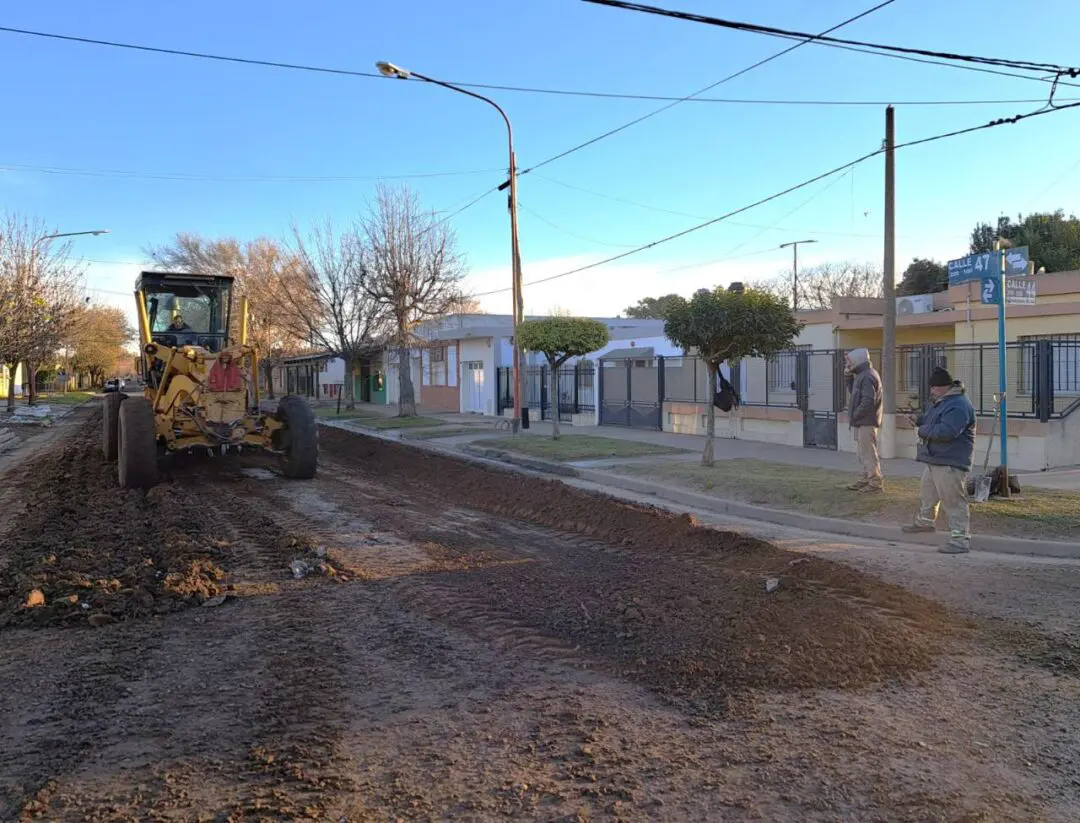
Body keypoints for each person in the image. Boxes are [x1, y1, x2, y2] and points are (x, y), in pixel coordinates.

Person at [902, 366, 976, 554]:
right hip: (937, 458)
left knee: (953, 500)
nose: (931, 391)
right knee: (928, 493)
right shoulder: (944, 402)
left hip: (950, 461)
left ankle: (960, 539)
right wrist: (918, 420)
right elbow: (932, 420)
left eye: (934, 388)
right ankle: (925, 522)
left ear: (944, 387)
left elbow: (947, 431)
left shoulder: (958, 405)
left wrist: (921, 430)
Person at [845, 347, 884, 492]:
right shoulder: (862, 375)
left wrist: (855, 415)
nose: (848, 365)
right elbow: (854, 393)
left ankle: (875, 482)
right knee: (863, 453)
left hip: (866, 421)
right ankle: (865, 478)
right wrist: (848, 378)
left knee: (868, 453)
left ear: (857, 361)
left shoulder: (867, 376)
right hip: (863, 420)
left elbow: (868, 401)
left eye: (849, 362)